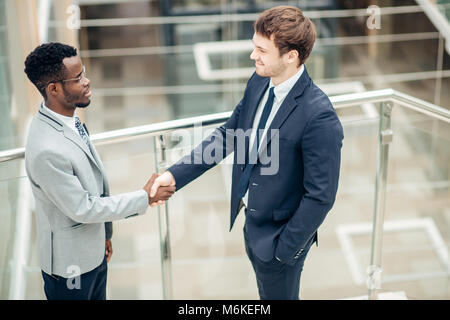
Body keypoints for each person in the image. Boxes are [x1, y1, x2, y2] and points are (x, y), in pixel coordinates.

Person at [151, 6, 344, 300]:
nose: (253, 56)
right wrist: (175, 176)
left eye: (262, 50)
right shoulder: (259, 82)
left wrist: (283, 251)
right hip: (252, 225)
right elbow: (229, 135)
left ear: (291, 56)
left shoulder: (319, 116)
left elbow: (321, 195)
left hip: (280, 243)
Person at [24, 42, 175, 300]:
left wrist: (105, 234)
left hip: (93, 254)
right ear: (53, 89)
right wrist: (145, 197)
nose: (87, 81)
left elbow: (94, 182)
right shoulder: (45, 149)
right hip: (70, 272)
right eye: (78, 77)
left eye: (84, 73)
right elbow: (83, 208)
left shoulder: (69, 118)